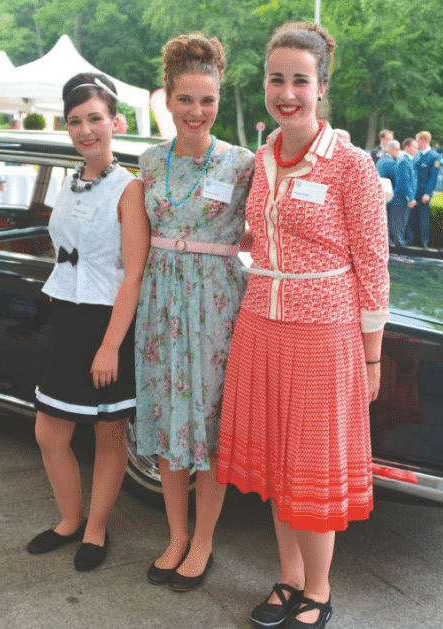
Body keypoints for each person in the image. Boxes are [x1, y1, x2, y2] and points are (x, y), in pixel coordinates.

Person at [216, 22, 388, 629]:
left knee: (311, 467)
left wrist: (371, 356)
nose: (286, 93)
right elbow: (263, 235)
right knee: (277, 466)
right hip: (261, 326)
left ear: (321, 87)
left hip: (324, 336)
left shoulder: (352, 165)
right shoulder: (262, 160)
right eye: (276, 79)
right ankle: (288, 578)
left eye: (299, 81)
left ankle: (319, 588)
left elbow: (373, 266)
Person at [135, 33, 255, 592]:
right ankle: (176, 535)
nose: (196, 111)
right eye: (186, 99)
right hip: (160, 303)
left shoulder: (243, 162)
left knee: (209, 425)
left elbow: (267, 227)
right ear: (167, 99)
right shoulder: (148, 161)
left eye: (207, 100)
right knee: (169, 419)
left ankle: (203, 540)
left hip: (216, 306)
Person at [26, 72, 149, 573]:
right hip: (68, 317)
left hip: (107, 324)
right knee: (49, 432)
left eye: (94, 118)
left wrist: (111, 346)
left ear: (115, 122)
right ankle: (70, 518)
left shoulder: (129, 188)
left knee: (108, 433)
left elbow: (133, 273)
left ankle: (96, 528)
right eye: (75, 121)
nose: (85, 130)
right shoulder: (70, 179)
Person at [409, 131, 440, 249]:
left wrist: (427, 193)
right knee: (412, 216)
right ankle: (410, 239)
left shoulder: (434, 156)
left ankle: (424, 242)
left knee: (423, 217)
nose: (416, 143)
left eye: (417, 140)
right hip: (414, 191)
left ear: (423, 141)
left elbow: (433, 178)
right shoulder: (417, 154)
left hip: (423, 192)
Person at [389, 137, 418, 248]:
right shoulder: (404, 161)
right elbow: (405, 182)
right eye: (414, 147)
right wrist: (410, 198)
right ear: (406, 148)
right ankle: (398, 247)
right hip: (401, 198)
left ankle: (399, 245)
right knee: (399, 224)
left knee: (402, 223)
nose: (416, 149)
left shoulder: (408, 160)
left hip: (404, 198)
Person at [375, 140, 399, 231]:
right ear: (390, 150)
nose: (398, 152)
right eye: (396, 149)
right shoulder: (391, 162)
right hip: (388, 195)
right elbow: (396, 180)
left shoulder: (381, 160)